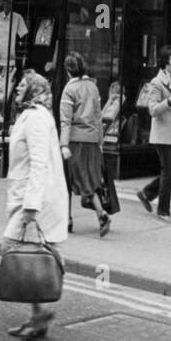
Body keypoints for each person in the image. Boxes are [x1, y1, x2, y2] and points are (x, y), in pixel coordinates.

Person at [2, 70, 69, 341]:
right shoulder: (30, 115)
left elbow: (40, 163)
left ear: (34, 90)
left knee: (11, 248)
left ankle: (41, 308)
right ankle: (38, 313)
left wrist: (31, 206)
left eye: (22, 85)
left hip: (35, 200)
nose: (17, 88)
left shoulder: (38, 118)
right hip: (27, 196)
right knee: (36, 252)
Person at [59, 53, 111, 237]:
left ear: (67, 71)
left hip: (75, 141)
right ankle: (100, 213)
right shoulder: (93, 87)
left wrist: (64, 145)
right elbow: (98, 117)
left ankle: (67, 220)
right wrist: (100, 141)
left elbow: (65, 121)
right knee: (88, 179)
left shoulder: (69, 90)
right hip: (92, 140)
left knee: (68, 181)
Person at [137, 45, 171, 224]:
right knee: (170, 170)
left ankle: (147, 193)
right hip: (162, 133)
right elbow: (152, 110)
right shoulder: (156, 83)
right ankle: (163, 210)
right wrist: (170, 100)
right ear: (166, 63)